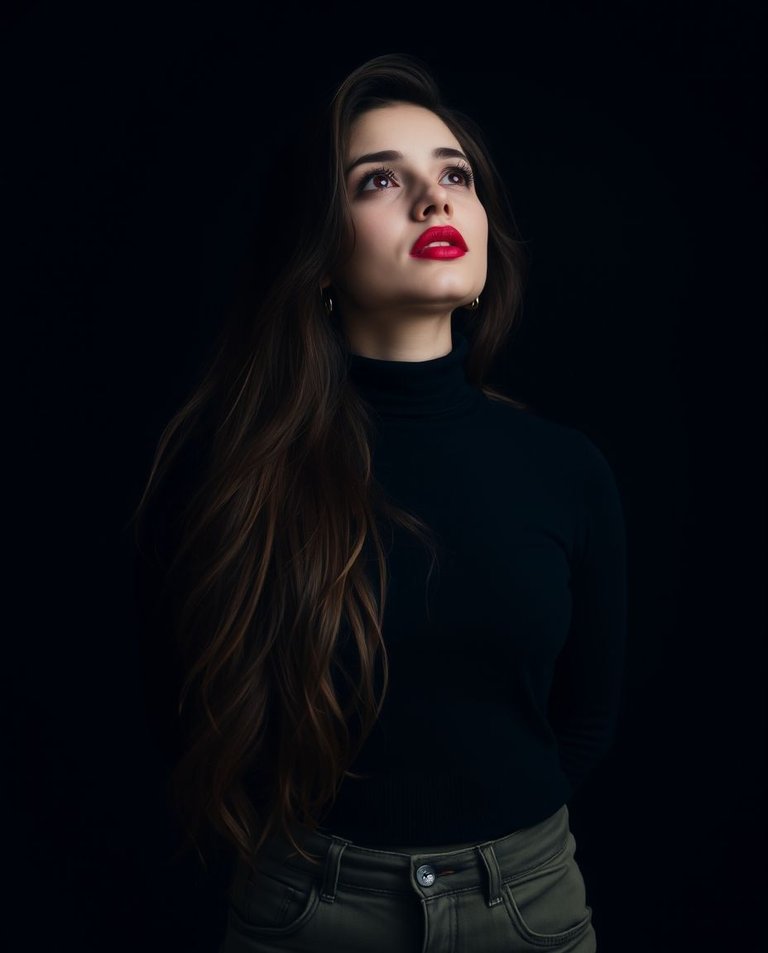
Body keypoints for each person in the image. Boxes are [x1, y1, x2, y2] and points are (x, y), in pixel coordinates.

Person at [131, 52, 627, 953]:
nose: (433, 201)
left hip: (526, 905)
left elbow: (587, 713)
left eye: (454, 175)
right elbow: (182, 705)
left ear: (481, 231)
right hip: (307, 911)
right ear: (319, 250)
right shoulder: (233, 469)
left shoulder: (567, 468)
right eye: (379, 180)